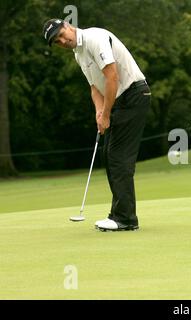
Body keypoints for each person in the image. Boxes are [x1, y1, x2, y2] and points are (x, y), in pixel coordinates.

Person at [43, 19, 151, 231]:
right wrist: (99, 112)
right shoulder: (78, 54)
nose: (63, 40)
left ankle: (126, 219)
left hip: (134, 95)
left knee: (118, 157)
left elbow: (111, 76)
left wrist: (107, 114)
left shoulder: (95, 38)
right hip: (119, 100)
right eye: (57, 41)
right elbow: (95, 87)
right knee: (108, 155)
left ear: (68, 25)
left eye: (62, 34)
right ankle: (119, 213)